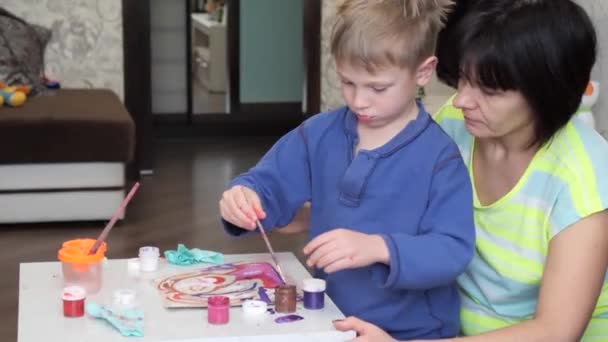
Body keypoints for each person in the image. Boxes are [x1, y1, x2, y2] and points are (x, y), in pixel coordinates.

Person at [331, 0, 608, 340]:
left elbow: (555, 332)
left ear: (545, 93)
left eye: (489, 91)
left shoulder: (583, 176)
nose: (462, 100)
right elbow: (389, 201)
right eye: (463, 79)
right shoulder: (455, 124)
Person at [219, 0, 476, 339]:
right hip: (330, 316)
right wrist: (245, 198)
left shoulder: (440, 158)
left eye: (377, 88)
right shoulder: (319, 134)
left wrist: (378, 248)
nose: (358, 101)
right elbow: (269, 185)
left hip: (411, 331)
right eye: (347, 82)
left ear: (423, 72)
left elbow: (452, 249)